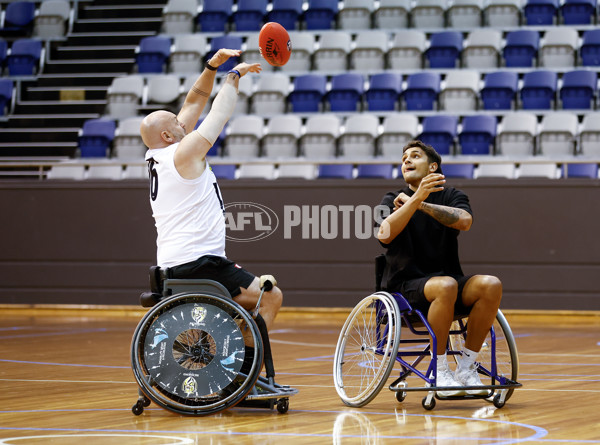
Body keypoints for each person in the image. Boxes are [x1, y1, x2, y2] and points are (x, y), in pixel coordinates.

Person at [139, 49, 282, 330]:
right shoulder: (182, 154)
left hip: (175, 263)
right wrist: (233, 76)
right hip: (199, 264)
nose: (183, 122)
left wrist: (211, 67)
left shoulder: (158, 154)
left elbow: (194, 102)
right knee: (271, 297)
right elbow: (218, 116)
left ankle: (233, 357)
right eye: (177, 123)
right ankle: (245, 365)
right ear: (168, 135)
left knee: (249, 302)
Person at [376, 140, 502, 396]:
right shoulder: (391, 198)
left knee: (491, 284)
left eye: (415, 156)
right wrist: (414, 201)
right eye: (403, 159)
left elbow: (464, 221)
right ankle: (439, 369)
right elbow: (384, 234)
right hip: (405, 286)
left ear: (433, 167)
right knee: (446, 285)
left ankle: (466, 367)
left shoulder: (453, 195)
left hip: (448, 283)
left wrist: (422, 203)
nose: (406, 161)